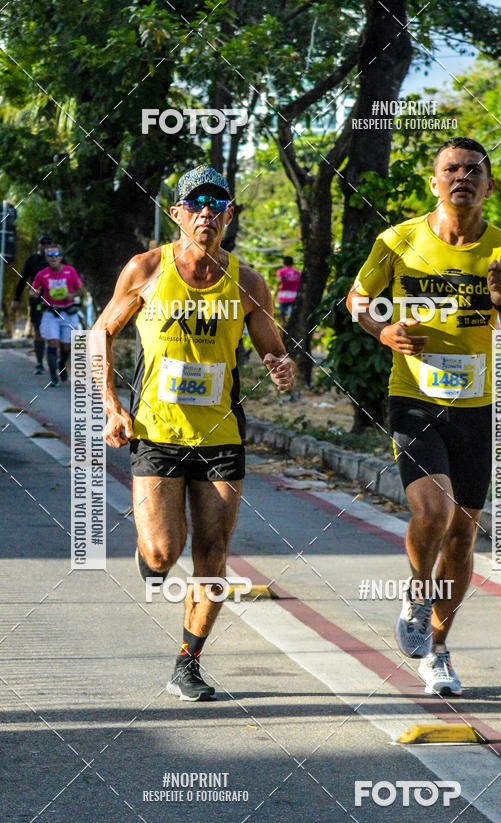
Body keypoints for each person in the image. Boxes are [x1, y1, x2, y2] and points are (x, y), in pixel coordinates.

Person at [92, 164, 295, 702]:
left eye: (217, 203)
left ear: (229, 214)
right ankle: (150, 557)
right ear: (178, 213)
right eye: (195, 203)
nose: (206, 211)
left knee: (213, 552)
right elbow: (99, 335)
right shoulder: (147, 270)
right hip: (157, 432)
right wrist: (112, 406)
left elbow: (271, 345)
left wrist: (280, 366)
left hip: (221, 437)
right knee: (163, 552)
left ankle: (188, 663)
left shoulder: (247, 282)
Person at [346, 137, 501, 697]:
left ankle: (438, 650)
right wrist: (382, 329)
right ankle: (415, 589)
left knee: (461, 540)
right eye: (450, 169)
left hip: (480, 409)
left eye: (473, 170)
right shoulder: (398, 240)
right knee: (434, 511)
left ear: (488, 185)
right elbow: (359, 300)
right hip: (414, 398)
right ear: (435, 183)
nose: (462, 177)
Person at [31, 245, 84, 386]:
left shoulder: (70, 271)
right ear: (46, 258)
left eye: (56, 254)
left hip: (68, 312)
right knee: (53, 341)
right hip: (51, 313)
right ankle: (53, 376)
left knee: (65, 346)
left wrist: (71, 295)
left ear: (61, 257)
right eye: (50, 255)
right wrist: (34, 293)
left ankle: (62, 365)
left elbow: (80, 290)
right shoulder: (42, 274)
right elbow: (33, 289)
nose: (53, 257)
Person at [13, 234, 54, 373]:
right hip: (37, 301)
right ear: (39, 244)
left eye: (49, 242)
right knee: (39, 331)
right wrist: (16, 299)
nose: (46, 245)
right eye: (43, 242)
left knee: (54, 334)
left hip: (57, 302)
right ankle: (40, 364)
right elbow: (22, 279)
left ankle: (55, 362)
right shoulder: (32, 260)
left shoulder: (58, 259)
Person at [276, 256, 301, 322]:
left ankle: (283, 327)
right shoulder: (297, 272)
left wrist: (276, 291)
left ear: (283, 263)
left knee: (282, 314)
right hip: (294, 295)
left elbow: (279, 281)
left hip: (283, 295)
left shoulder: (281, 271)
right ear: (292, 263)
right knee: (292, 314)